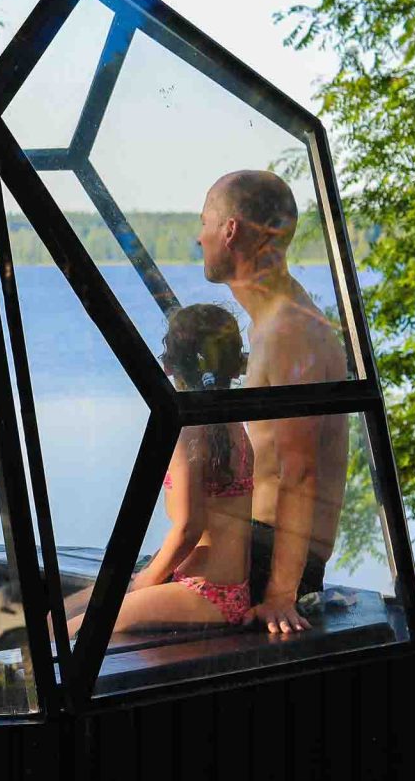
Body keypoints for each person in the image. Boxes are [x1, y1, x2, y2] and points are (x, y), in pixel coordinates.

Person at [197, 170, 351, 634]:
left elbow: (298, 470)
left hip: (272, 559)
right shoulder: (274, 322)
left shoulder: (288, 331)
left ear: (230, 231)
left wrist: (282, 596)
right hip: (253, 544)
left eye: (204, 222)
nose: (197, 237)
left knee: (100, 616)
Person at [69, 305, 255, 637]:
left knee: (66, 635)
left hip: (205, 592)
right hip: (225, 588)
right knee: (63, 614)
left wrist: (147, 580)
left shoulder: (190, 430)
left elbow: (189, 527)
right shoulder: (232, 424)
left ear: (173, 365)